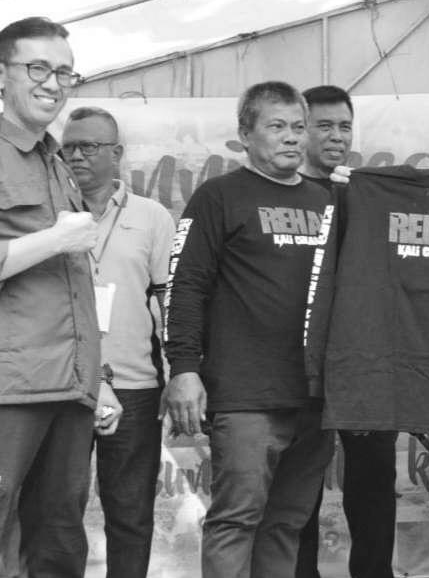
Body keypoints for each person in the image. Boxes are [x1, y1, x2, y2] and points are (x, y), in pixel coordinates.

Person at [0, 16, 122, 578]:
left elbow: (69, 287)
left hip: (69, 391)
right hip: (0, 392)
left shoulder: (57, 165)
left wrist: (96, 378)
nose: (52, 83)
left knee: (58, 551)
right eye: (37, 68)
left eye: (64, 72)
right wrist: (52, 239)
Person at [163, 81, 335, 578]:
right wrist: (184, 369)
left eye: (298, 126)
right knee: (236, 521)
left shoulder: (327, 201)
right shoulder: (218, 197)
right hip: (245, 397)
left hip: (316, 396)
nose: (292, 137)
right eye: (276, 126)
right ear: (245, 134)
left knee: (286, 524)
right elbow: (186, 285)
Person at [63, 106, 175, 578]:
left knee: (130, 514)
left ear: (117, 154)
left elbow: (170, 301)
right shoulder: (49, 214)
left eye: (88, 146)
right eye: (69, 147)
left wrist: (177, 373)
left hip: (134, 385)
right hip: (63, 385)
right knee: (57, 512)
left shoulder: (152, 217)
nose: (76, 156)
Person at [296, 85, 398, 578]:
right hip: (300, 365)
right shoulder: (285, 195)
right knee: (300, 489)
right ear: (299, 130)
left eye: (344, 126)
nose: (337, 135)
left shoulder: (367, 195)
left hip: (365, 362)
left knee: (373, 485)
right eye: (324, 125)